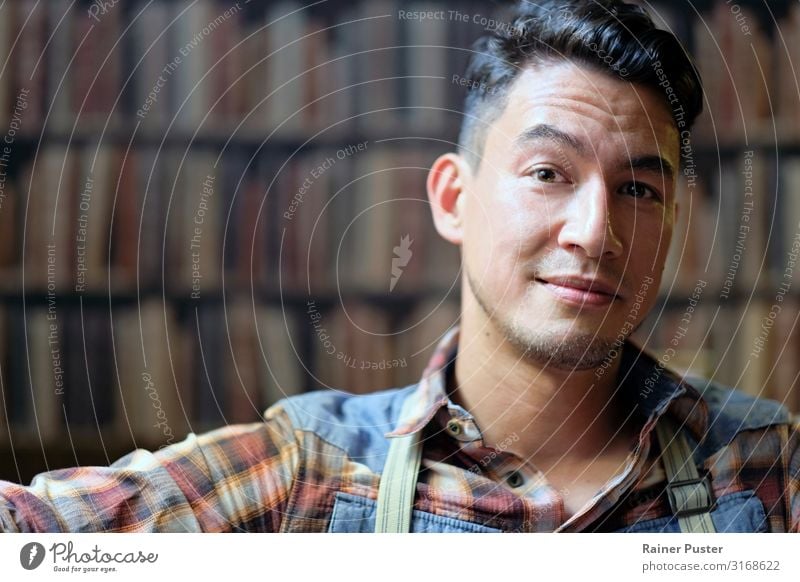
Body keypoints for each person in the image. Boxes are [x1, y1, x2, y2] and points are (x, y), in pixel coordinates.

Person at [1, 0, 798, 533]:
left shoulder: (773, 469)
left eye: (637, 189)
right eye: (549, 173)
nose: (595, 232)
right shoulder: (312, 471)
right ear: (454, 198)